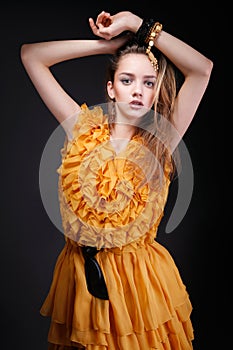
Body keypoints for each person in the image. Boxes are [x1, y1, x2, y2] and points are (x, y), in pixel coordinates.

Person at [21, 10, 213, 350]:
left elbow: (202, 69)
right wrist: (109, 45)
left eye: (147, 82)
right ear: (111, 88)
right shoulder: (81, 128)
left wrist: (140, 27)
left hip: (137, 282)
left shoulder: (160, 142)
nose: (138, 90)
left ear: (155, 93)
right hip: (80, 277)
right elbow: (32, 55)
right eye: (127, 80)